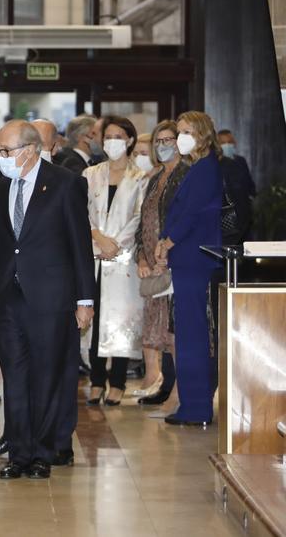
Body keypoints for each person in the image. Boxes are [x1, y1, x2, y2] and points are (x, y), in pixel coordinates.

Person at [0, 120, 94, 480]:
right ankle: (19, 453)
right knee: (14, 378)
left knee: (46, 376)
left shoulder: (66, 184)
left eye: (5, 151)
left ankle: (43, 453)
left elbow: (79, 245)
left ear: (29, 151)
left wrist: (84, 299)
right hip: (7, 299)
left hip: (50, 298)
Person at [156, 111, 222, 427]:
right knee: (187, 330)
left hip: (194, 258)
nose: (180, 137)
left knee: (192, 333)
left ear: (201, 134)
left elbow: (191, 214)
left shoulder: (205, 169)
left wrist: (167, 242)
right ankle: (193, 403)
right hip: (189, 258)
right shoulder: (197, 168)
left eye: (185, 132)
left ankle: (196, 406)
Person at [82, 116, 147, 407]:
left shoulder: (140, 177)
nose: (112, 142)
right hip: (94, 254)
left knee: (121, 319)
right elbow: (81, 211)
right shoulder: (90, 174)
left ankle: (118, 381)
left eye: (119, 136)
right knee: (94, 317)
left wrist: (116, 244)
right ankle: (96, 381)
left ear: (130, 140)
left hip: (124, 259)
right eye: (108, 136)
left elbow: (140, 217)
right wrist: (98, 238)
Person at [134, 123, 185, 408]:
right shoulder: (156, 178)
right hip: (153, 262)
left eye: (169, 139)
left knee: (176, 328)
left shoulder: (185, 175)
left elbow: (184, 221)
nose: (164, 145)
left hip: (174, 261)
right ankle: (166, 383)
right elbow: (144, 223)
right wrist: (142, 256)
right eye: (160, 140)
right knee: (161, 328)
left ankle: (179, 387)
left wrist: (167, 251)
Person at [217, 129, 256, 196]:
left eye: (229, 142)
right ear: (218, 145)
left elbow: (249, 182)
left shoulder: (241, 160)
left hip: (243, 203)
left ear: (234, 143)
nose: (227, 145)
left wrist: (251, 195)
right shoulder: (215, 163)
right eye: (223, 143)